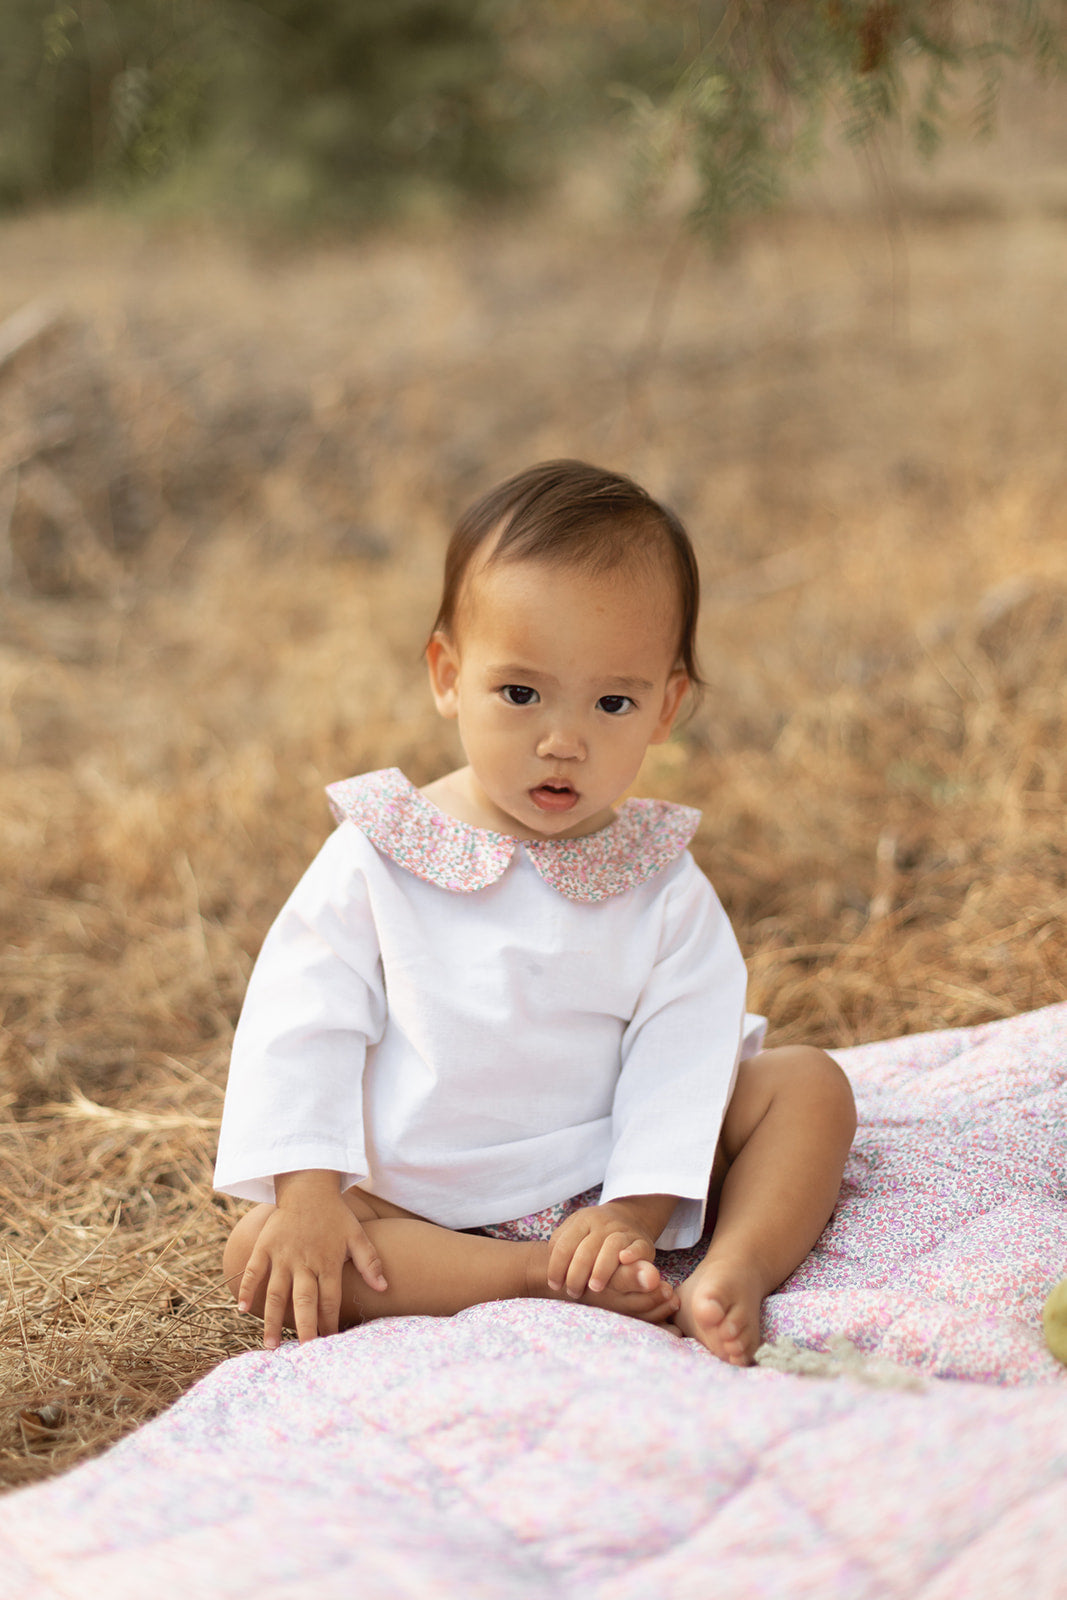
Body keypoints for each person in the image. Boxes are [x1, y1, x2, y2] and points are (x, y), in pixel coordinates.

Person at [216, 460, 856, 1365]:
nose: (563, 740)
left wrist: (631, 1210)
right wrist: (310, 1190)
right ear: (448, 676)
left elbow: (684, 1049)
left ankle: (733, 1269)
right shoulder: (380, 852)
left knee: (807, 1086)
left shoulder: (658, 878)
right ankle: (528, 1277)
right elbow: (302, 1019)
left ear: (665, 706)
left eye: (612, 701)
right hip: (424, 1195)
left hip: (612, 1168)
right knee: (265, 1247)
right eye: (520, 694)